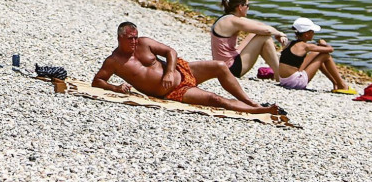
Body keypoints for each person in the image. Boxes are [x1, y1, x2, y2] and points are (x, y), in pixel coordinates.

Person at [92, 22, 282, 115]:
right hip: (174, 91)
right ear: (119, 39)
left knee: (219, 66)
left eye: (135, 37)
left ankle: (251, 102)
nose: (134, 41)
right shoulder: (114, 61)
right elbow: (97, 81)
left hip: (182, 70)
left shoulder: (144, 43)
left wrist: (168, 71)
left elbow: (170, 52)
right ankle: (259, 112)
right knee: (214, 99)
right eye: (130, 39)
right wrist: (116, 88)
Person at [211, 0, 288, 82]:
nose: (248, 8)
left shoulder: (229, 18)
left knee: (255, 33)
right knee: (264, 38)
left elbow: (259, 25)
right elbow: (267, 31)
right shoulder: (233, 21)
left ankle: (278, 72)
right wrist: (280, 34)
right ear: (240, 7)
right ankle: (280, 75)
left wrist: (277, 33)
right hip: (230, 69)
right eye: (247, 5)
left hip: (227, 63)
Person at [278, 17, 356, 94]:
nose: (314, 33)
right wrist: (324, 44)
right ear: (306, 34)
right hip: (295, 82)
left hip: (284, 80)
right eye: (312, 31)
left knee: (316, 55)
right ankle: (342, 85)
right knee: (325, 56)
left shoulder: (290, 44)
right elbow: (330, 49)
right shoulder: (306, 46)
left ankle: (335, 83)